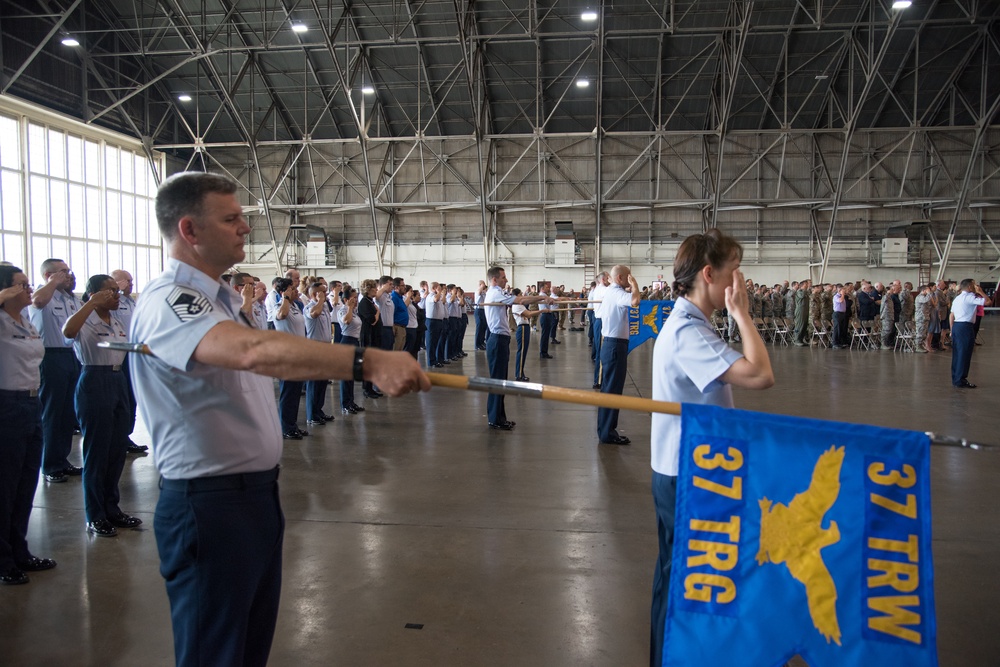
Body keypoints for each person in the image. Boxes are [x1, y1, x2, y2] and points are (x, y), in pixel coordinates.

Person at [129, 172, 428, 667]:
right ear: (190, 230)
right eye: (231, 219)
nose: (245, 227)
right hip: (209, 503)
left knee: (246, 649)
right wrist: (367, 363)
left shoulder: (220, 300)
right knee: (216, 652)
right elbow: (251, 351)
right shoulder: (170, 300)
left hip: (255, 496)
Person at [649, 229, 774, 667]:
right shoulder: (688, 333)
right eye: (733, 274)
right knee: (683, 577)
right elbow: (760, 375)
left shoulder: (691, 325)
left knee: (675, 574)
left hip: (685, 469)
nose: (739, 284)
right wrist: (742, 314)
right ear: (708, 274)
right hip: (687, 475)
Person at [62, 274, 142, 537]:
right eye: (110, 291)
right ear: (95, 294)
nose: (117, 295)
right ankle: (95, 515)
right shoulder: (85, 321)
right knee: (97, 452)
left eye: (116, 291)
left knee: (117, 449)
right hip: (94, 380)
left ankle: (112, 508)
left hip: (118, 379)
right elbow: (68, 332)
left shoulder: (117, 321)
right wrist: (89, 304)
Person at [0, 265, 57, 585]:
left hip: (31, 403)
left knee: (25, 484)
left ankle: (20, 550)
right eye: (21, 285)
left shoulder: (26, 321)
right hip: (6, 404)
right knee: (5, 486)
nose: (28, 289)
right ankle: (3, 558)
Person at [29, 258, 83, 483]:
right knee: (52, 412)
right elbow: (38, 301)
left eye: (69, 271)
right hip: (51, 357)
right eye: (62, 272)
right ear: (48, 275)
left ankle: (62, 459)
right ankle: (50, 464)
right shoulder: (43, 295)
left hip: (72, 357)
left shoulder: (71, 299)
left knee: (67, 414)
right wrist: (52, 282)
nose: (68, 275)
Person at [483, 266, 549, 430]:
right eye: (503, 277)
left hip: (501, 339)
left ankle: (499, 417)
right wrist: (542, 298)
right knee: (497, 380)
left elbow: (519, 300)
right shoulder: (496, 292)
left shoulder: (499, 292)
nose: (506, 280)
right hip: (497, 339)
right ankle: (495, 419)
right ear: (494, 279)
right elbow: (520, 301)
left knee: (501, 380)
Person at [596, 265, 641, 445]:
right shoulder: (616, 293)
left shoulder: (612, 292)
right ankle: (607, 432)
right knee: (612, 391)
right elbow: (635, 301)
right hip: (615, 345)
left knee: (611, 389)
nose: (630, 279)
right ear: (621, 278)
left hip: (613, 344)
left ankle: (607, 430)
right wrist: (635, 285)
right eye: (628, 277)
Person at [111, 269, 148, 454]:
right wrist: (116, 291)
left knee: (132, 397)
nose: (131, 284)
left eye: (131, 280)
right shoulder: (114, 302)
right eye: (127, 281)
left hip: (134, 352)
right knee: (121, 397)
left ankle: (127, 435)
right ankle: (118, 437)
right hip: (120, 353)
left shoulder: (131, 302)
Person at [304, 281, 335, 426]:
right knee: (314, 384)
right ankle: (311, 415)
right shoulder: (310, 307)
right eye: (323, 292)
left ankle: (318, 410)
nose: (326, 294)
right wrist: (320, 300)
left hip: (326, 347)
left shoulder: (324, 307)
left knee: (322, 383)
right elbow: (314, 314)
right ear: (315, 294)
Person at [950, 278, 989, 388]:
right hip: (965, 326)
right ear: (969, 287)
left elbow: (951, 315)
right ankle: (961, 380)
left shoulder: (957, 298)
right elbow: (988, 301)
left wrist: (952, 329)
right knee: (964, 353)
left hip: (957, 326)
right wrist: (980, 291)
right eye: (974, 285)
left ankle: (956, 378)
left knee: (957, 353)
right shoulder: (970, 297)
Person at [336, 287, 366, 414]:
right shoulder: (343, 311)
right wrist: (349, 307)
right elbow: (346, 322)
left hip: (355, 342)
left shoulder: (354, 311)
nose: (355, 300)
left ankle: (351, 401)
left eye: (356, 297)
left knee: (352, 375)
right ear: (346, 299)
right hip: (347, 341)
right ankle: (345, 404)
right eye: (353, 297)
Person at [511, 289, 542, 382]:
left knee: (524, 352)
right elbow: (529, 314)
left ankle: (520, 373)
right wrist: (542, 311)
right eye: (520, 294)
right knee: (522, 352)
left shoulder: (520, 305)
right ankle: (519, 375)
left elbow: (528, 314)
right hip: (522, 328)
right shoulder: (516, 306)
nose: (522, 296)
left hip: (525, 327)